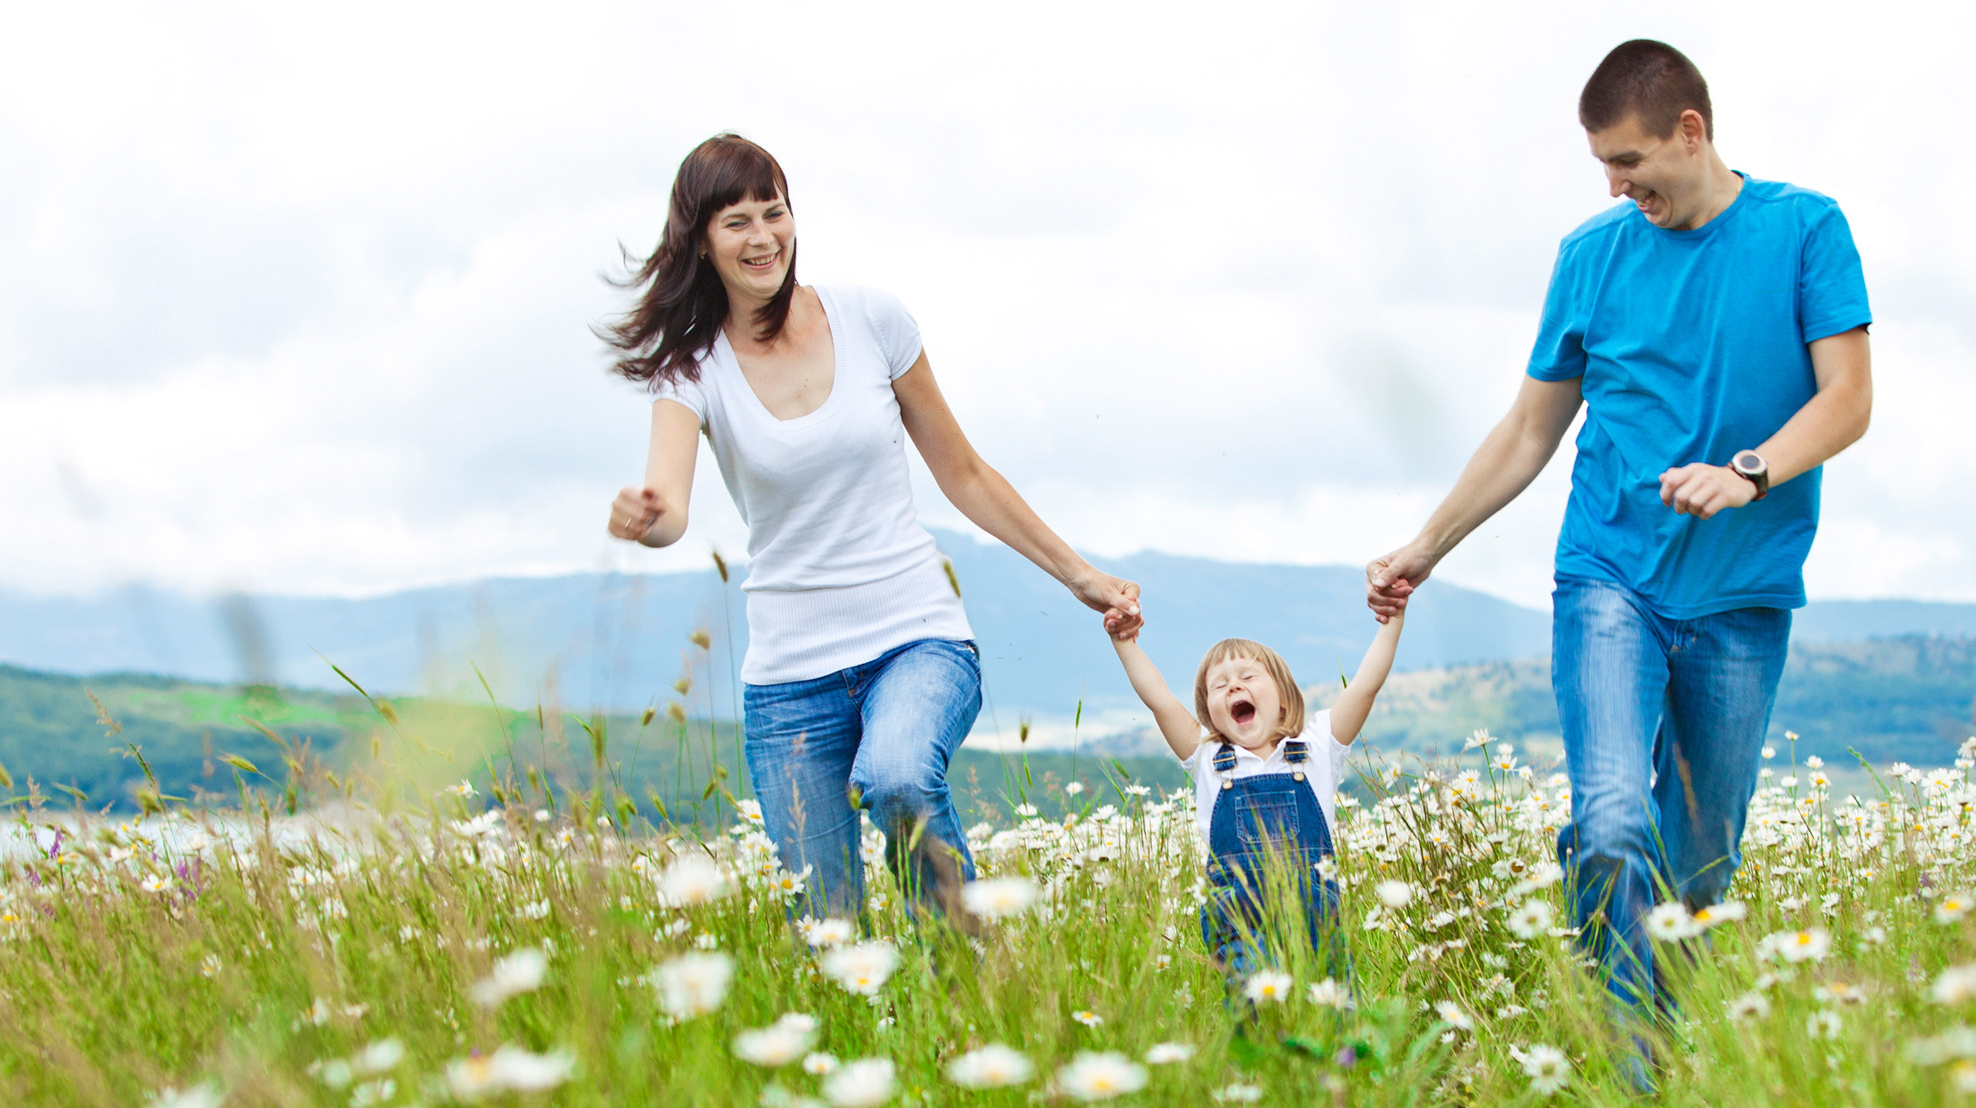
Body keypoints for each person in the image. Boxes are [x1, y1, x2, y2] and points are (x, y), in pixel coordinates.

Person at [1364, 40, 1874, 1010]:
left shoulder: (1806, 229)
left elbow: (1846, 400)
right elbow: (1527, 430)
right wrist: (1423, 547)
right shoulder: (1589, 256)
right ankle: (1622, 1054)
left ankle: (1664, 1040)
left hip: (1742, 596)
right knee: (1606, 824)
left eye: (1629, 162)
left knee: (1698, 870)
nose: (1614, 185)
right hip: (1610, 577)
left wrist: (1747, 473)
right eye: (1602, 164)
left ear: (1690, 132)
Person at [602, 133, 1141, 921]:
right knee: (827, 930)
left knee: (897, 779)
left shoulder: (870, 321)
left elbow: (965, 475)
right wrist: (643, 519)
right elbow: (670, 506)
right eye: (737, 223)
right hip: (789, 682)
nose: (763, 238)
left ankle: (971, 976)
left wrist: (1082, 578)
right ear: (701, 241)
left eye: (773, 213)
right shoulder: (693, 369)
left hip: (915, 637)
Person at [1109, 610, 1405, 978]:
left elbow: (1364, 686)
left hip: (1317, 926)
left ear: (1283, 697)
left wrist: (1393, 619)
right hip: (1240, 928)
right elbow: (1160, 700)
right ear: (1210, 713)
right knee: (1258, 1017)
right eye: (1218, 685)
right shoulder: (1208, 758)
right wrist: (1124, 642)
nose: (1233, 686)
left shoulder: (1316, 747)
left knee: (1333, 1023)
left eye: (1248, 676)